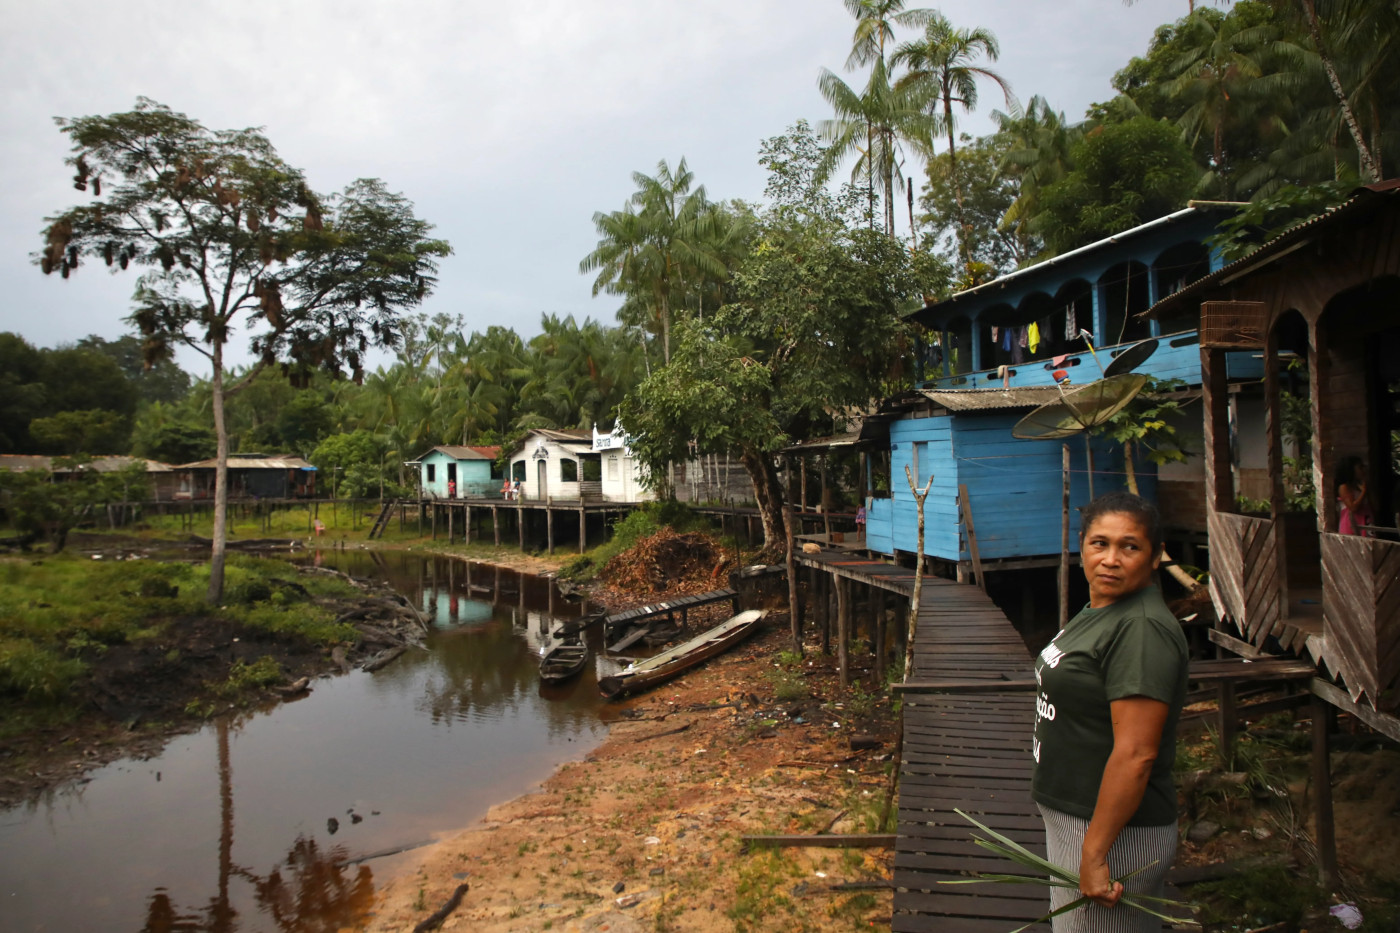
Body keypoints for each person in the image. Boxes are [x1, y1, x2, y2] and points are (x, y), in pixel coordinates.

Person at [1032, 492, 1189, 932]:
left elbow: (1137, 754)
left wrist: (1096, 853)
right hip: (1077, 819)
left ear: (1156, 556)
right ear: (1081, 545)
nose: (1111, 559)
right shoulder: (1101, 609)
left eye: (1130, 546)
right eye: (1100, 543)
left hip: (1115, 834)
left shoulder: (1141, 630)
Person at [1335, 455, 1373, 536]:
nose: (1363, 470)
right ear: (1351, 470)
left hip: (1366, 521)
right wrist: (1364, 492)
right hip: (1352, 524)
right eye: (1360, 467)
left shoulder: (1359, 485)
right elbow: (1353, 507)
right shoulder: (1344, 487)